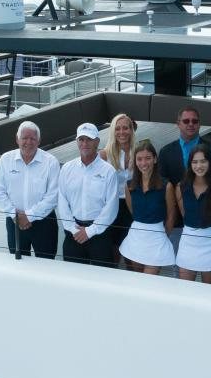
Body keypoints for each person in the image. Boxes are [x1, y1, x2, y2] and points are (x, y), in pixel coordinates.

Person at [0, 120, 60, 258]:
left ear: (39, 141)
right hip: (14, 221)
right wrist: (14, 214)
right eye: (24, 138)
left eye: (33, 138)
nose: (28, 142)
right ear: (17, 139)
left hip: (44, 223)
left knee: (47, 266)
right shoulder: (6, 159)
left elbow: (53, 195)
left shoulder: (51, 162)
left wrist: (29, 216)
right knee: (18, 264)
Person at [57, 122, 120, 267]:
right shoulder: (67, 168)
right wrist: (73, 229)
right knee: (73, 278)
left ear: (97, 141)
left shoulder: (108, 171)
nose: (85, 143)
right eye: (81, 139)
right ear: (77, 142)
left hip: (100, 234)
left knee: (103, 279)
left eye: (89, 139)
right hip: (74, 233)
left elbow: (111, 207)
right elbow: (62, 200)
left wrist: (90, 231)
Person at [173, 143, 211, 284]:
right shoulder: (181, 187)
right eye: (195, 162)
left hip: (210, 242)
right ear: (190, 164)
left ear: (210, 162)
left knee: (209, 290)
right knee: (185, 288)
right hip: (188, 241)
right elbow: (185, 213)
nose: (199, 166)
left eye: (203, 161)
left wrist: (210, 233)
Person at [119, 140, 175, 274]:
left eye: (148, 158)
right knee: (138, 282)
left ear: (155, 159)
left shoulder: (166, 186)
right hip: (136, 238)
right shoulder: (130, 185)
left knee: (150, 282)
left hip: (157, 239)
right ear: (135, 161)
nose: (144, 163)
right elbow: (133, 211)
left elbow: (171, 216)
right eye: (139, 159)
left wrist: (162, 235)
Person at [100, 113, 137, 266]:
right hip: (112, 206)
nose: (122, 132)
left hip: (133, 205)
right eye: (118, 128)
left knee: (132, 250)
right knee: (114, 250)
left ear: (131, 130)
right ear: (113, 131)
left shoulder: (139, 152)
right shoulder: (104, 155)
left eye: (125, 128)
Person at [157, 104, 208, 184]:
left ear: (199, 124)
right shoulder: (165, 152)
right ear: (178, 124)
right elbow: (161, 179)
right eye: (186, 121)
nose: (191, 124)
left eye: (194, 121)